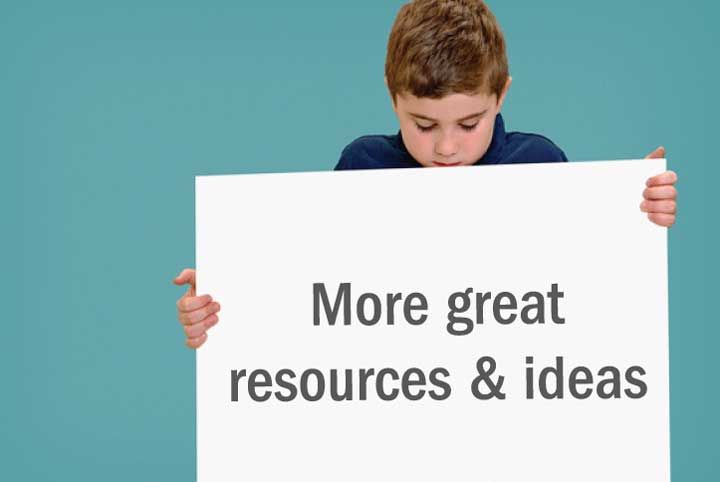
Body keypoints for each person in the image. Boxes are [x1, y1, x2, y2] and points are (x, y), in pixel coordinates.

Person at [174, 0, 678, 349]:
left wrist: (637, 219)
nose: (445, 147)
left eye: (468, 123)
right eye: (423, 124)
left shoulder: (538, 166)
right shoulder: (362, 168)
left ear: (500, 95)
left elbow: (584, 289)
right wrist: (237, 287)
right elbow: (316, 285)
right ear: (394, 98)